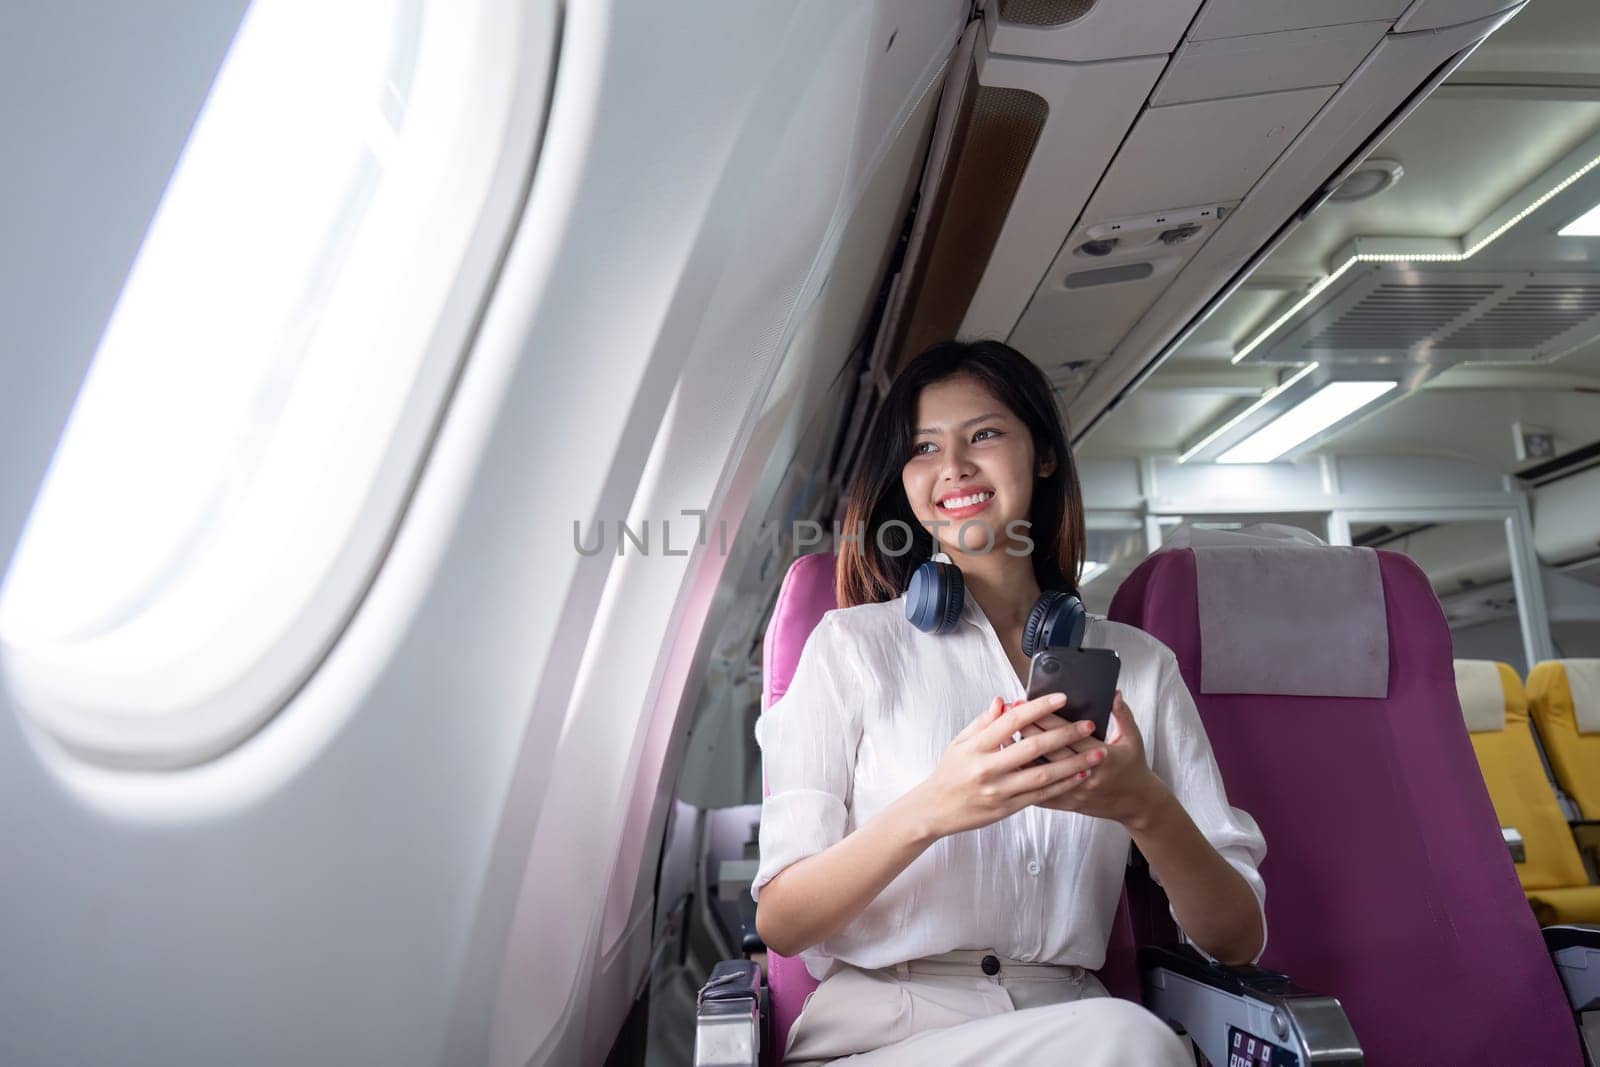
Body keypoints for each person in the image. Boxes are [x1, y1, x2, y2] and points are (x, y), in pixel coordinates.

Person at [750, 339, 1267, 1065]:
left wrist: (1142, 804)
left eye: (984, 434)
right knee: (1135, 1043)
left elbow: (1236, 938)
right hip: (880, 1034)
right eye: (925, 447)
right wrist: (935, 807)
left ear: (1044, 454)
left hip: (1070, 1026)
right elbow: (783, 920)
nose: (954, 467)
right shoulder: (851, 648)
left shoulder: (1139, 668)